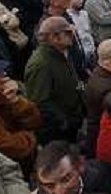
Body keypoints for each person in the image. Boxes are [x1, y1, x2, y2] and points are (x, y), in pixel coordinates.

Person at [24, 17, 85, 146]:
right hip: (56, 130)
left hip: (71, 119)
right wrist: (64, 122)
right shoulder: (40, 64)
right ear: (53, 37)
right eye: (67, 33)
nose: (72, 35)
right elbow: (40, 101)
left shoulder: (61, 53)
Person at [0, 51, 41, 172]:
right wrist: (30, 138)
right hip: (4, 172)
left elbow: (35, 121)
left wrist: (15, 101)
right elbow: (8, 147)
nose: (2, 75)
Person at [66, 0, 96, 68]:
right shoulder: (67, 18)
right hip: (80, 57)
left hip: (92, 52)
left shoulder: (84, 14)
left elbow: (90, 32)